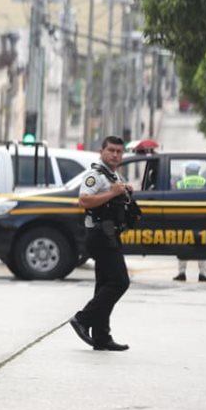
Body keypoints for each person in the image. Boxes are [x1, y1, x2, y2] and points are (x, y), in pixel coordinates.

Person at [69, 136, 134, 352]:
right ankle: (82, 318)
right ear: (102, 151)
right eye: (111, 150)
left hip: (110, 233)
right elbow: (83, 200)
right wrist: (112, 192)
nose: (115, 155)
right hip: (99, 235)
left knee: (104, 284)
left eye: (119, 151)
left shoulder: (114, 175)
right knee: (119, 282)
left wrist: (123, 191)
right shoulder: (94, 175)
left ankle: (101, 336)